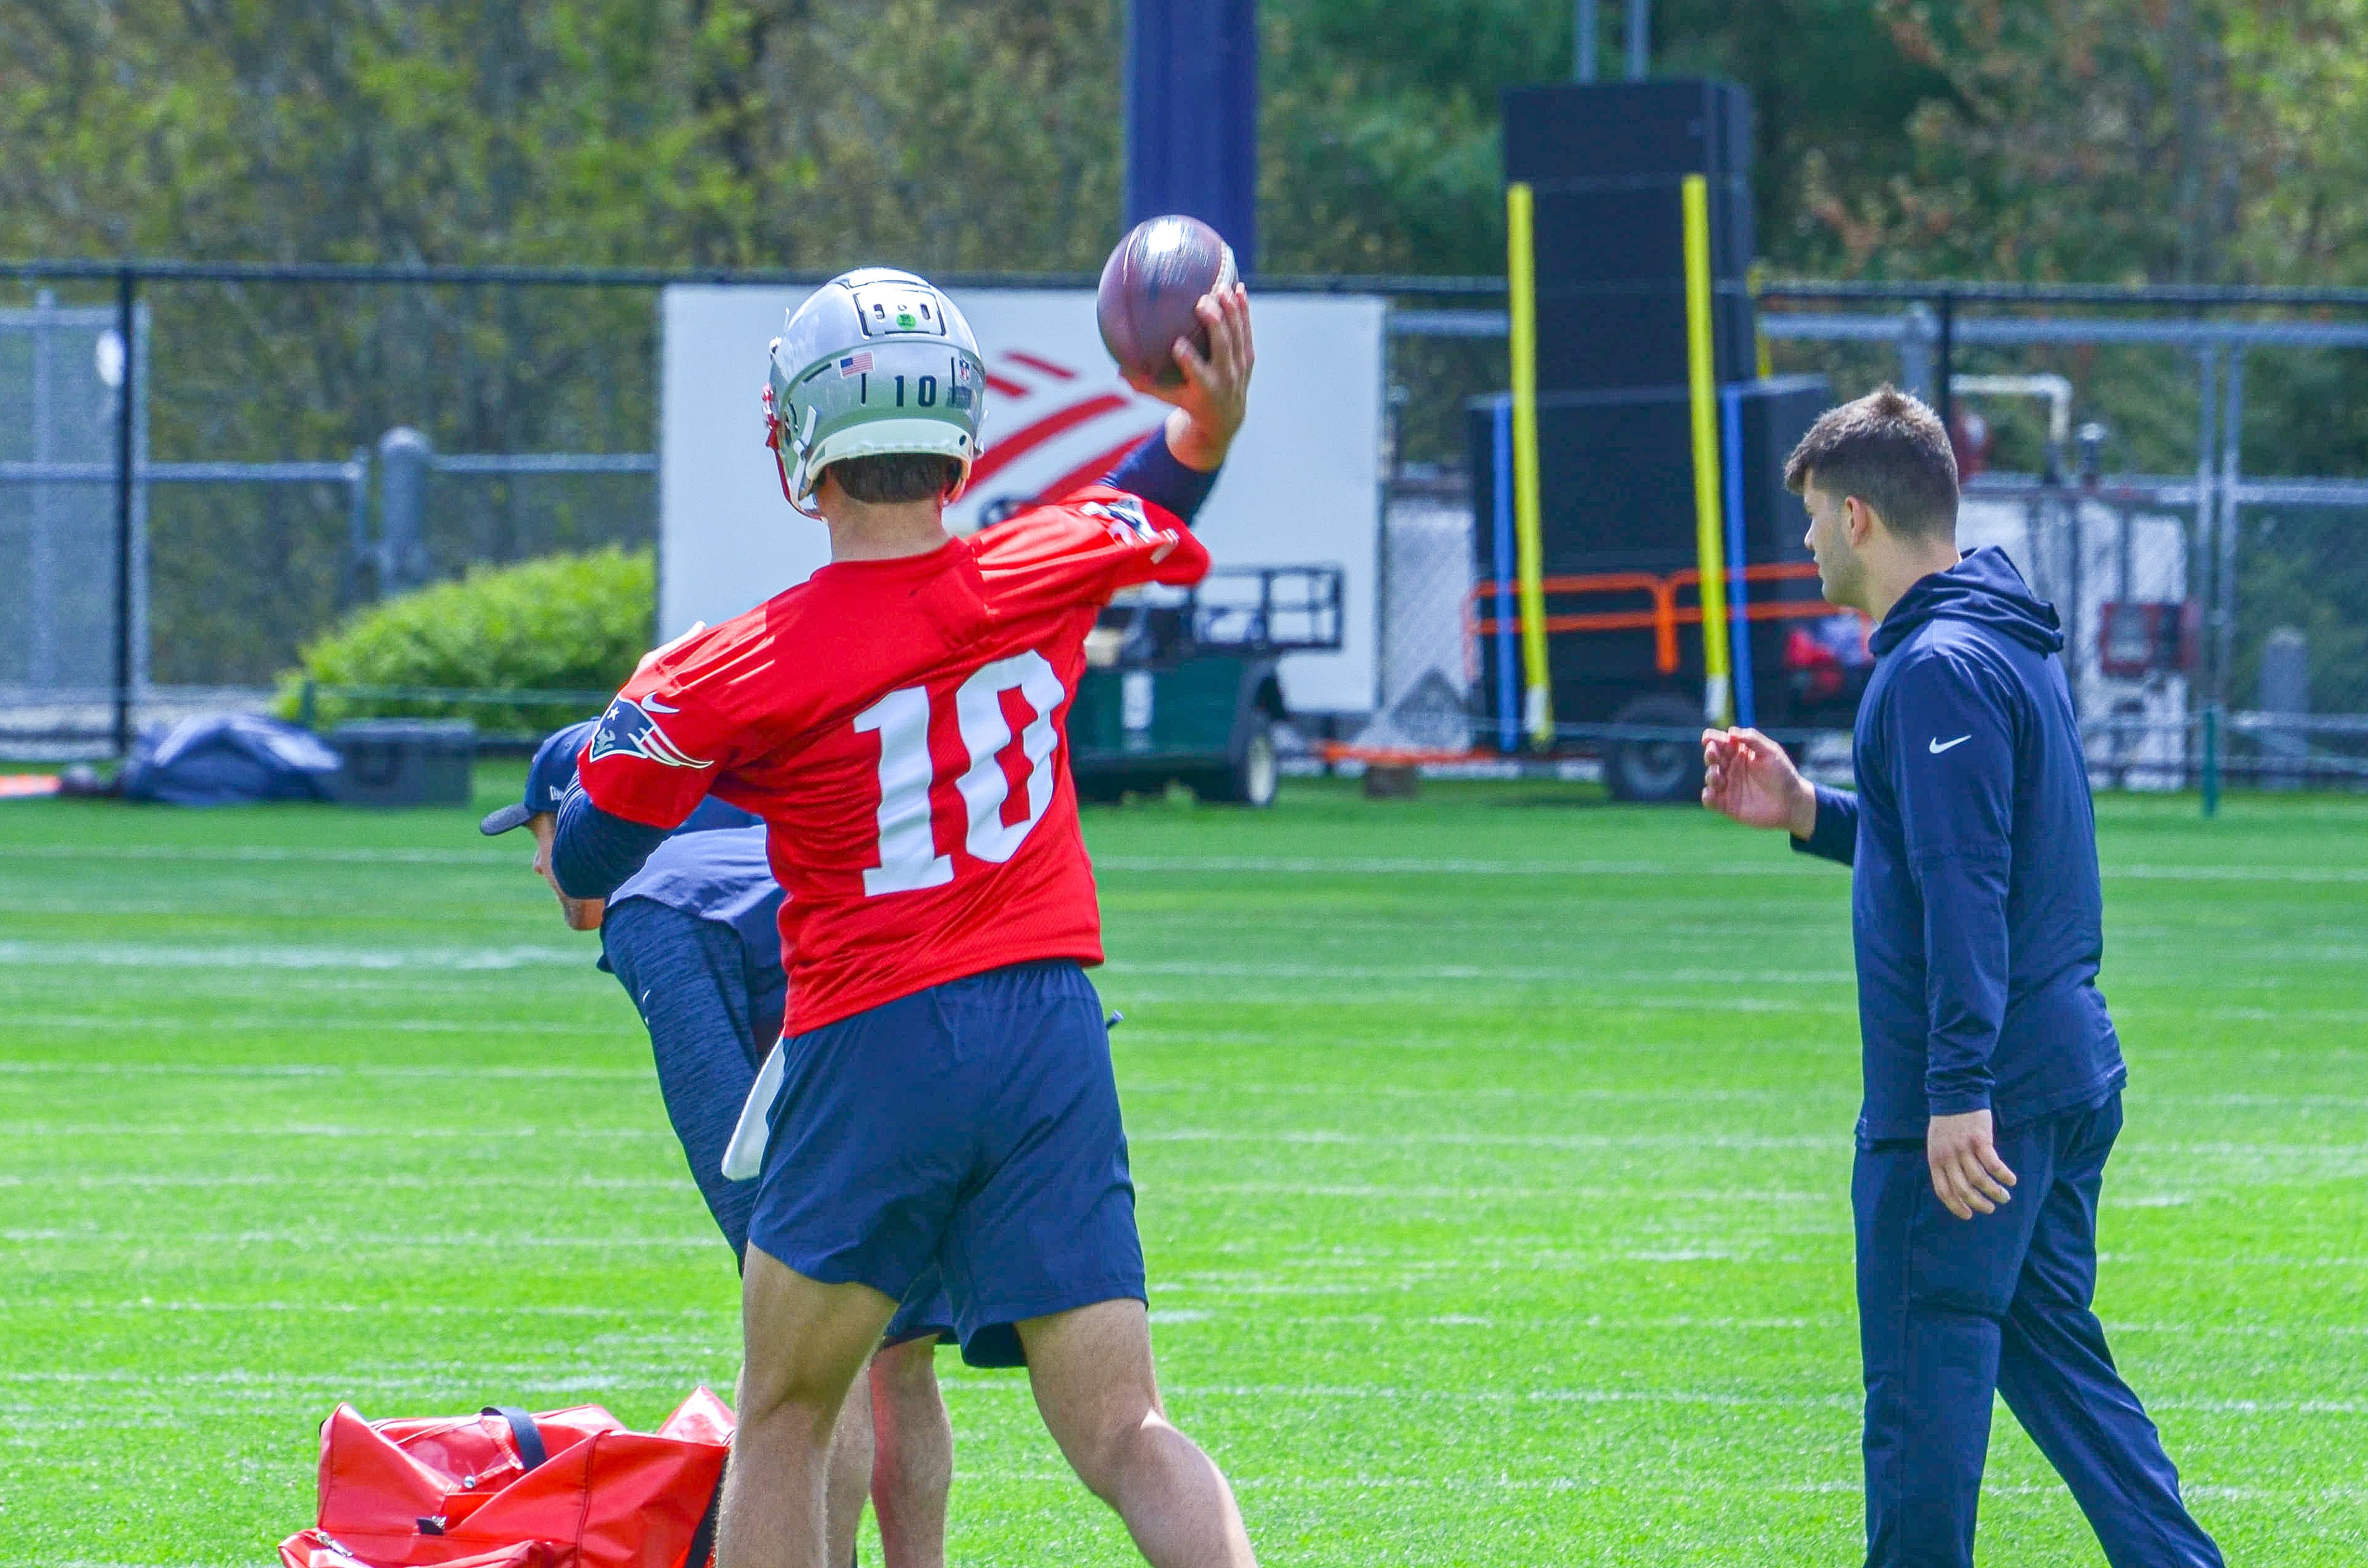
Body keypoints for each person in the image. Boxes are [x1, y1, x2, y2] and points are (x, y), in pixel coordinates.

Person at [551, 267, 1259, 1568]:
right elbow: (1150, 495)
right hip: (1048, 1024)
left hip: (873, 1035)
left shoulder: (734, 666)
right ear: (957, 433)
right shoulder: (1036, 566)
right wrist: (1204, 427)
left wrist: (634, 709)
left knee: (783, 1411)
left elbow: (588, 855)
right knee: (1126, 1428)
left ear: (800, 443)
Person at [1699, 386, 2225, 1568]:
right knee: (2061, 1371)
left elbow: (1968, 884)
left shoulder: (1935, 667)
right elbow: (1955, 843)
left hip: (1981, 1108)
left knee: (1922, 1414)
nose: (1808, 544)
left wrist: (1953, 1092)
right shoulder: (1997, 636)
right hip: (2061, 1075)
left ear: (1857, 516)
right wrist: (1805, 810)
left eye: (1814, 522)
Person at [481, 723, 954, 1568]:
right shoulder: (763, 848)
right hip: (957, 1047)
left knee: (810, 1345)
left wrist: (774, 1258)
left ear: (591, 822)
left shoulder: (654, 904)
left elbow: (722, 1116)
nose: (536, 864)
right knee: (900, 1354)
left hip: (867, 1074)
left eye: (540, 834)